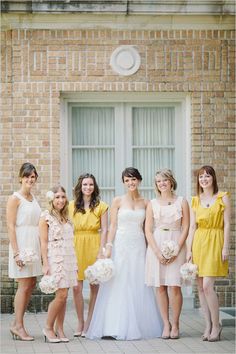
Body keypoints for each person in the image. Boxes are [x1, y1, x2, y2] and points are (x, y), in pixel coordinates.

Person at [86, 167, 163, 340]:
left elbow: (147, 229)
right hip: (120, 244)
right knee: (119, 282)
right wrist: (108, 246)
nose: (130, 183)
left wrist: (151, 250)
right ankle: (113, 326)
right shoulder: (117, 201)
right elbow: (112, 226)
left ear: (139, 180)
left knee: (137, 281)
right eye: (127, 180)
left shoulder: (146, 203)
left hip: (138, 245)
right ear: (123, 182)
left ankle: (140, 325)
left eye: (133, 179)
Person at [187, 165, 230, 342]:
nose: (204, 179)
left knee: (207, 286)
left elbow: (227, 224)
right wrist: (189, 250)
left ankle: (217, 324)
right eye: (201, 177)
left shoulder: (223, 197)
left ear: (213, 178)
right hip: (199, 241)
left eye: (207, 176)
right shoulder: (195, 200)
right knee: (200, 287)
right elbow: (191, 226)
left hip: (216, 240)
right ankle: (208, 325)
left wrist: (226, 246)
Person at [145, 169, 190, 340]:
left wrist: (177, 248)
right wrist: (157, 252)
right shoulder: (152, 203)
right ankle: (166, 324)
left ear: (171, 181)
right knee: (160, 286)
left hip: (176, 241)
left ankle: (176, 323)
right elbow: (148, 230)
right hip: (157, 244)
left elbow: (186, 227)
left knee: (174, 286)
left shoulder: (182, 201)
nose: (162, 184)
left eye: (164, 180)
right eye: (158, 181)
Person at [68, 173, 108, 337]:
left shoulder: (102, 206)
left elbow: (105, 229)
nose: (88, 187)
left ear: (95, 187)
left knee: (94, 286)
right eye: (85, 184)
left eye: (91, 184)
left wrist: (102, 250)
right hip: (76, 244)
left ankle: (90, 322)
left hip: (94, 244)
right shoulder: (71, 205)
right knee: (76, 287)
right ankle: (80, 321)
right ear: (80, 186)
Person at [7, 162, 42, 341]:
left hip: (33, 244)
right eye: (27, 176)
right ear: (21, 177)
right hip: (21, 244)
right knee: (24, 285)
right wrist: (16, 253)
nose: (30, 179)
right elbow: (11, 226)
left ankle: (15, 323)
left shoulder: (33, 198)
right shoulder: (15, 198)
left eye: (33, 177)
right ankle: (19, 326)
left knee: (32, 284)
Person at [39, 185, 78, 343]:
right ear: (51, 199)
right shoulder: (45, 217)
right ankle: (48, 327)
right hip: (55, 257)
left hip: (68, 255)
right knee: (61, 295)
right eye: (57, 197)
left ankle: (60, 329)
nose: (60, 200)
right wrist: (45, 263)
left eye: (63, 197)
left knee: (64, 295)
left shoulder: (67, 217)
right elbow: (42, 242)